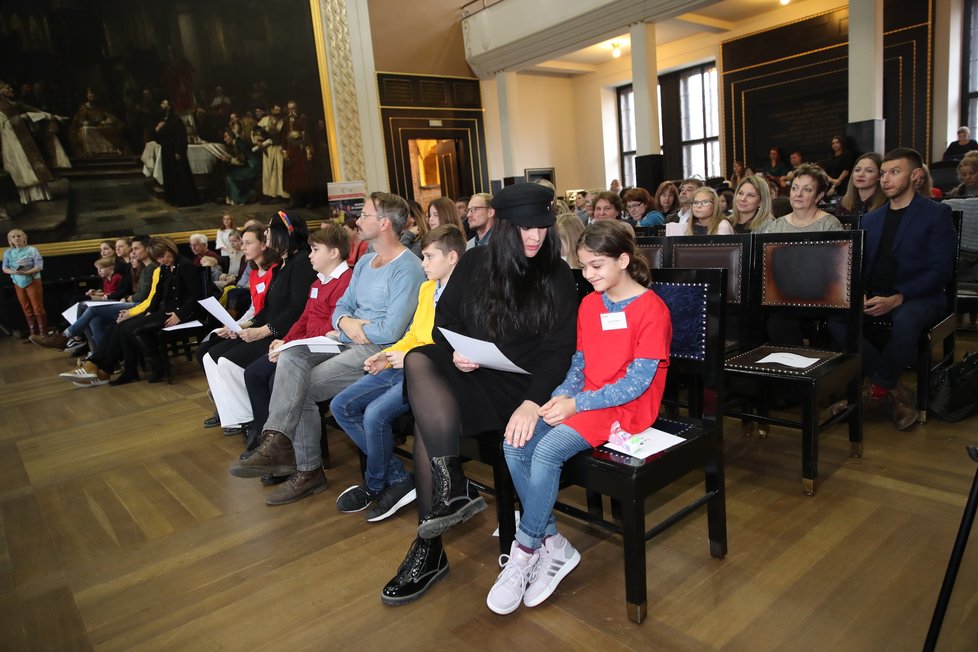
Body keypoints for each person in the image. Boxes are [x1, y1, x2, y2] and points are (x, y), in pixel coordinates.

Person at [379, 182, 577, 605]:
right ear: (503, 227)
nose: (535, 237)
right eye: (524, 228)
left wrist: (530, 400)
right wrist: (457, 354)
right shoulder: (473, 262)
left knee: (426, 424)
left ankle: (430, 545)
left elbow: (559, 352)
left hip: (522, 388)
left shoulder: (556, 273)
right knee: (420, 358)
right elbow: (442, 327)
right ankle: (449, 493)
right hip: (476, 373)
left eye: (542, 227)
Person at [487, 219, 671, 614]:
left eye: (596, 266)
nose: (587, 275)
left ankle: (523, 552)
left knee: (548, 450)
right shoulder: (590, 303)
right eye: (584, 266)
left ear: (623, 260)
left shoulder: (651, 309)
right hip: (586, 399)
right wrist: (559, 397)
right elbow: (579, 363)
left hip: (625, 408)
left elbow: (637, 383)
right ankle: (553, 543)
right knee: (514, 441)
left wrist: (577, 405)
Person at [228, 192, 425, 506]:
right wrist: (348, 322)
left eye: (366, 215)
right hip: (345, 337)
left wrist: (351, 325)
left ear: (384, 223)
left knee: (301, 389)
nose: (358, 220)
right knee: (291, 354)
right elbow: (341, 308)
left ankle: (306, 470)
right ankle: (276, 440)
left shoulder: (408, 268)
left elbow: (391, 330)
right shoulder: (363, 262)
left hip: (376, 348)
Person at [331, 225, 466, 523]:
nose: (423, 264)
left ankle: (375, 484)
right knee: (341, 405)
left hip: (432, 376)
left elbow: (446, 343)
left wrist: (407, 356)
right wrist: (386, 355)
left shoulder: (464, 292)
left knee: (375, 414)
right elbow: (415, 333)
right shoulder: (427, 288)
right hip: (405, 362)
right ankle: (395, 476)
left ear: (453, 257)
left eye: (429, 257)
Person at [829, 148, 957, 431]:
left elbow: (940, 272)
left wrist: (899, 297)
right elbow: (859, 266)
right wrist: (859, 292)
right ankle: (893, 390)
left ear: (916, 176)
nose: (885, 179)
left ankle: (874, 393)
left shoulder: (936, 213)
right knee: (837, 319)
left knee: (906, 318)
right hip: (876, 294)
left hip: (920, 296)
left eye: (894, 172)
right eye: (884, 173)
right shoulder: (871, 219)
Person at [202, 214, 318, 435]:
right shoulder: (285, 263)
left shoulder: (301, 261)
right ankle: (240, 417)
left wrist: (263, 331)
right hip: (273, 329)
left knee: (228, 361)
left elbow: (297, 309)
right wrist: (243, 327)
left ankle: (251, 420)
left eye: (270, 230)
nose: (266, 234)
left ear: (285, 234)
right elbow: (267, 309)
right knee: (214, 353)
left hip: (285, 334)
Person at [111, 236, 202, 385]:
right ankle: (130, 371)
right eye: (157, 258)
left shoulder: (184, 265)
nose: (161, 261)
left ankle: (159, 365)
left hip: (184, 312)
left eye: (162, 256)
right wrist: (147, 314)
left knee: (135, 330)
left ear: (170, 249)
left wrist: (180, 314)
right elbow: (157, 296)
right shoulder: (164, 268)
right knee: (123, 326)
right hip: (167, 311)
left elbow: (196, 294)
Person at [759, 165, 843, 233]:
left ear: (819, 196)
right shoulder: (776, 226)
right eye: (795, 188)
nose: (798, 194)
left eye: (807, 189)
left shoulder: (829, 225)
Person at [155, 99, 199, 206]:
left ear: (169, 106)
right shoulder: (164, 121)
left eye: (164, 103)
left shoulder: (176, 120)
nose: (162, 105)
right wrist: (157, 130)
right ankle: (173, 198)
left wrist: (179, 151)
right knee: (171, 175)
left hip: (175, 152)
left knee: (179, 175)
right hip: (167, 152)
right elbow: (159, 138)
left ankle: (183, 200)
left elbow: (180, 137)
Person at [3, 229, 45, 337]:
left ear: (24, 238)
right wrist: (14, 272)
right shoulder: (8, 252)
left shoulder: (32, 250)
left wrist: (26, 272)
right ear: (10, 240)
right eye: (13, 237)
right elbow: (5, 268)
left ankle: (43, 334)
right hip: (18, 282)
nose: (16, 238)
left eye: (18, 236)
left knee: (37, 307)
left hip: (32, 280)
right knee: (25, 307)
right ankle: (33, 334)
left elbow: (39, 266)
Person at [69, 89, 128, 157]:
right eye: (90, 93)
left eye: (93, 93)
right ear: (87, 95)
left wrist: (107, 120)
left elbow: (110, 116)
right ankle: (91, 151)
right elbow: (80, 121)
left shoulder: (100, 106)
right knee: (86, 129)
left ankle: (110, 150)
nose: (92, 95)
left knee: (109, 128)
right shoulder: (84, 107)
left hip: (100, 125)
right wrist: (86, 122)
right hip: (90, 127)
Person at [666, 187, 735, 236]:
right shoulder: (689, 226)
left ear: (715, 205)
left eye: (705, 202)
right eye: (695, 202)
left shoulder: (723, 225)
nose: (699, 206)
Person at [282, 100, 312, 206]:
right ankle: (294, 200)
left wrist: (308, 150)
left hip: (300, 150)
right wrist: (284, 151)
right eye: (289, 109)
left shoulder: (302, 119)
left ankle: (307, 200)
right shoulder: (285, 120)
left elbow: (306, 135)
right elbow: (283, 137)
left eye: (293, 108)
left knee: (303, 176)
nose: (291, 111)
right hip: (291, 151)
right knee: (291, 176)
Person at [257, 104, 288, 202]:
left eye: (279, 109)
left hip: (279, 147)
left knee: (279, 170)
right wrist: (259, 142)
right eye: (275, 109)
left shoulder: (283, 121)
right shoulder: (265, 120)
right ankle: (269, 195)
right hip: (268, 148)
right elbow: (255, 132)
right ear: (271, 110)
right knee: (268, 171)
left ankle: (280, 195)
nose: (277, 111)